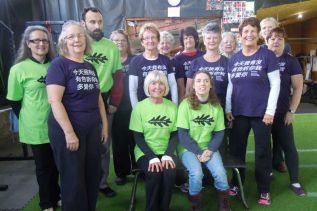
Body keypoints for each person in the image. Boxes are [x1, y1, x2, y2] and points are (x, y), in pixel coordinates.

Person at [46, 21, 108, 211]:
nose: (76, 39)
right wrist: (69, 132)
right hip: (69, 132)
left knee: (92, 175)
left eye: (80, 35)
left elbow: (98, 98)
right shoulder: (59, 65)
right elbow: (54, 101)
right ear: (63, 41)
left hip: (91, 130)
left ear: (85, 38)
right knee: (73, 180)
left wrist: (104, 125)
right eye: (71, 36)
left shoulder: (90, 66)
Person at [225, 17, 280, 205]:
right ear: (240, 36)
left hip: (261, 114)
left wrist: (270, 111)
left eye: (252, 31)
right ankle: (236, 183)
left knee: (262, 152)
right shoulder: (234, 59)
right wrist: (228, 108)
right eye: (245, 32)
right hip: (239, 113)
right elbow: (231, 86)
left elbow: (276, 84)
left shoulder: (267, 56)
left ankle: (264, 190)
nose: (249, 34)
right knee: (236, 150)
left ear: (258, 35)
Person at [7, 25, 60, 211]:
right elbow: (15, 101)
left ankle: (57, 195)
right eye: (35, 40)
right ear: (28, 43)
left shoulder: (57, 64)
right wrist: (31, 117)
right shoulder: (18, 69)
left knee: (56, 165)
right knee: (43, 168)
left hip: (58, 125)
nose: (40, 44)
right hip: (36, 127)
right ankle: (47, 203)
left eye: (44, 40)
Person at [81, 7, 123, 197]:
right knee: (81, 145)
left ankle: (102, 182)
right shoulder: (76, 44)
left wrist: (114, 101)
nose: (97, 26)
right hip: (80, 103)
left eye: (99, 22)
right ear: (84, 24)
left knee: (104, 145)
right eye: (92, 22)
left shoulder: (111, 46)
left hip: (105, 102)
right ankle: (83, 183)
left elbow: (118, 75)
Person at [177, 70, 230, 211]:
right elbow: (182, 134)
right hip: (188, 148)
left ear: (211, 85)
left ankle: (223, 203)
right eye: (198, 80)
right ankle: (195, 204)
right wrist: (199, 151)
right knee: (196, 173)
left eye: (206, 80)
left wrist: (210, 149)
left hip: (208, 148)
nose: (202, 84)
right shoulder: (185, 105)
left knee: (220, 172)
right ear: (193, 85)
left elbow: (219, 132)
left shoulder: (216, 106)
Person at [129, 70, 178, 211]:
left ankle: (164, 208)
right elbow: (137, 136)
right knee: (155, 174)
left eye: (161, 83)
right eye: (153, 83)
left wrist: (168, 154)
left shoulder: (173, 107)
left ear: (166, 86)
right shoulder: (139, 107)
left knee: (169, 173)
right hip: (145, 152)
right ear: (147, 87)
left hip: (166, 151)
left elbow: (175, 134)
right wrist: (151, 157)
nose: (157, 87)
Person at [267, 27, 306, 196]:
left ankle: (295, 181)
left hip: (282, 112)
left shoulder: (290, 61)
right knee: (264, 146)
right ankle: (266, 173)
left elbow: (298, 88)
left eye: (280, 39)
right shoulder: (261, 59)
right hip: (263, 113)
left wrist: (291, 110)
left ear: (284, 42)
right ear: (267, 42)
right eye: (273, 38)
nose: (276, 41)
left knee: (289, 146)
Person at [110, 29, 136, 185]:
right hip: (116, 108)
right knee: (119, 142)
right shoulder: (109, 61)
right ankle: (122, 172)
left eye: (123, 40)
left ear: (128, 43)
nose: (120, 43)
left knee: (135, 139)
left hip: (134, 107)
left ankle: (139, 168)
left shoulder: (135, 60)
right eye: (116, 40)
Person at [129, 22, 178, 108]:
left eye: (153, 37)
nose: (150, 41)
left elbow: (173, 85)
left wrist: (175, 106)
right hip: (144, 108)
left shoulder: (166, 60)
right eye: (147, 38)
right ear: (142, 41)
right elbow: (132, 90)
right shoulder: (135, 62)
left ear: (158, 40)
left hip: (165, 107)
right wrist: (136, 111)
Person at [186, 22, 228, 108]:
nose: (212, 41)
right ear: (204, 41)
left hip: (221, 108)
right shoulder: (195, 63)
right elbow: (189, 89)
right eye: (208, 38)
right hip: (199, 109)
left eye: (215, 38)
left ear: (220, 40)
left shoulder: (227, 62)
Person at [173, 26, 204, 101]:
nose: (188, 40)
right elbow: (180, 85)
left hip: (203, 92)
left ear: (196, 39)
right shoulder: (177, 58)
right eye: (185, 38)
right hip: (186, 94)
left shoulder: (203, 55)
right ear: (182, 41)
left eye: (191, 37)